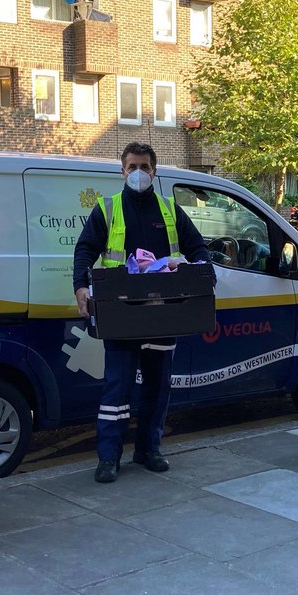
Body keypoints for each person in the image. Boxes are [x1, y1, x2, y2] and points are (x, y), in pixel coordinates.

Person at [73, 141, 209, 483]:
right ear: (122, 171)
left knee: (157, 387)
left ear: (154, 170)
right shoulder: (107, 209)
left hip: (164, 315)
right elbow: (85, 249)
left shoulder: (169, 209)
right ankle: (108, 458)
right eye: (132, 167)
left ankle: (149, 450)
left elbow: (197, 248)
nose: (138, 173)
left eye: (144, 167)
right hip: (121, 315)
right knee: (116, 390)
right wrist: (80, 286)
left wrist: (203, 272)